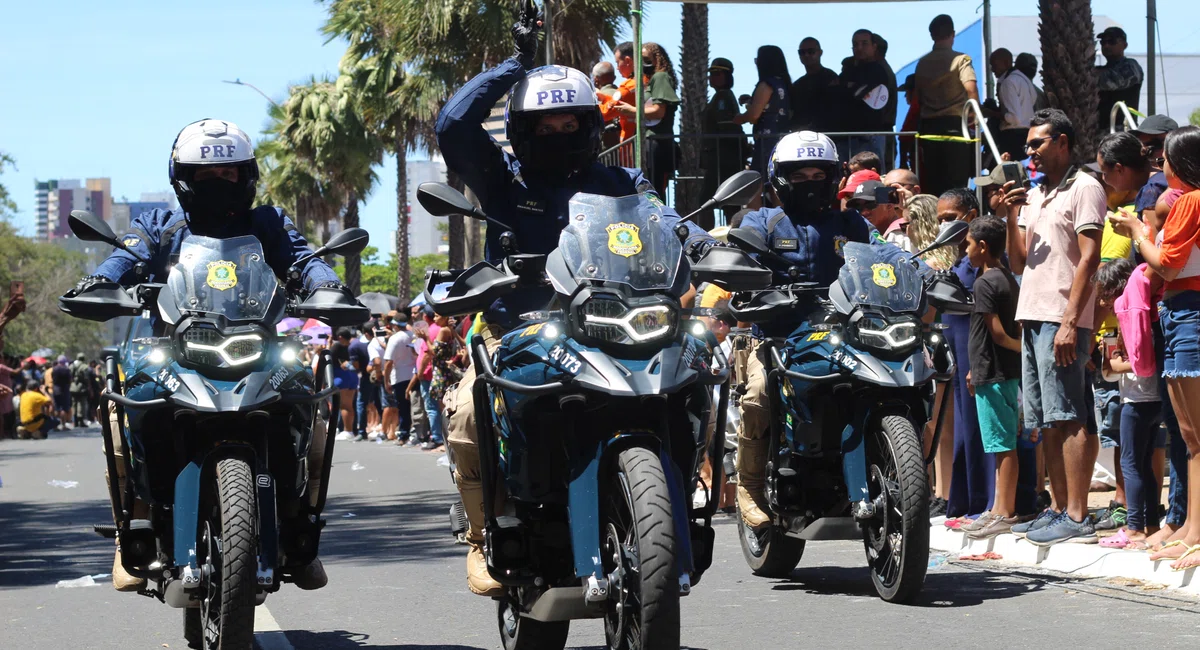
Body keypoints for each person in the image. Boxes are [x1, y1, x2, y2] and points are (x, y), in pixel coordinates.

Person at [433, 6, 714, 596]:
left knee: (696, 378)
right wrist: (515, 66)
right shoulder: (502, 179)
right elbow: (453, 128)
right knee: (465, 414)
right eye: (545, 125)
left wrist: (714, 246)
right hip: (522, 328)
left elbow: (670, 223)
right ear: (521, 131)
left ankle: (677, 505)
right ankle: (484, 537)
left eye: (572, 123)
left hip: (618, 327)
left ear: (591, 126)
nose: (559, 133)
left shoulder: (622, 183)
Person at [733, 130, 874, 530]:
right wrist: (750, 286)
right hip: (778, 336)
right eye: (799, 176)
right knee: (760, 394)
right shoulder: (761, 222)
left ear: (833, 178)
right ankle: (750, 486)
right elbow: (740, 263)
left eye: (819, 176)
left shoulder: (853, 223)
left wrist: (919, 271)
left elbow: (884, 255)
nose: (810, 184)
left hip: (846, 333)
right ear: (780, 179)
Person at [1000, 108, 1105, 546]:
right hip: (1032, 315)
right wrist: (1009, 215)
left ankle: (1078, 514)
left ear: (1062, 142)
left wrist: (1069, 322)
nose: (1030, 152)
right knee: (1046, 420)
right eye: (1028, 146)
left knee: (1069, 415)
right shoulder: (1037, 194)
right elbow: (1019, 262)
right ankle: (1058, 509)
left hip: (1062, 319)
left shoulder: (1085, 187)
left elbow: (1090, 258)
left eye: (1038, 143)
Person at [1108, 125, 1200, 569]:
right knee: (1188, 435)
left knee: (1195, 436)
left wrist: (1135, 231)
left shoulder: (1191, 202)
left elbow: (1165, 263)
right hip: (1182, 312)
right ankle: (1189, 527)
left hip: (1190, 312)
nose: (1159, 166)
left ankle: (1194, 532)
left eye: (1164, 158)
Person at [962, 216, 1024, 539]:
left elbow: (998, 334)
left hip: (995, 373)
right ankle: (999, 508)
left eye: (969, 244)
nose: (966, 250)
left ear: (983, 247)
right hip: (997, 371)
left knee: (1002, 444)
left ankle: (1004, 510)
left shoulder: (984, 283)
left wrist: (1021, 352)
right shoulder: (1008, 278)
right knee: (1001, 444)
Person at [1094, 258, 1163, 550]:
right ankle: (1150, 525)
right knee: (1144, 464)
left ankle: (1133, 528)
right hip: (1154, 397)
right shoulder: (1147, 308)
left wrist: (1113, 364)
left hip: (1137, 398)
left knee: (1130, 463)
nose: (1102, 301)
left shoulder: (1130, 308)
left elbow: (1139, 362)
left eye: (1105, 294)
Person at [914, 14, 979, 197]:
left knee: (934, 184)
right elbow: (971, 89)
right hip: (955, 128)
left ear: (932, 35)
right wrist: (975, 117)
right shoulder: (961, 60)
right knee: (957, 185)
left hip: (929, 129)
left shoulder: (922, 63)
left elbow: (917, 97)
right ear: (952, 34)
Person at [735, 45, 793, 184]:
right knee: (777, 183)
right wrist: (751, 101)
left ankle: (755, 207)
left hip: (767, 141)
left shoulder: (766, 84)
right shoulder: (783, 84)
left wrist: (740, 118)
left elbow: (754, 115)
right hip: (781, 139)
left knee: (757, 183)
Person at [700, 57, 745, 230]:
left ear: (727, 76)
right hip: (720, 156)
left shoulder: (723, 98)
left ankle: (707, 237)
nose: (712, 77)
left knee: (707, 201)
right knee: (727, 202)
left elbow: (726, 127)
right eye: (711, 73)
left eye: (717, 74)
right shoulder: (720, 96)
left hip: (723, 157)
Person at [836, 30, 893, 163]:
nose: (859, 48)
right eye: (855, 44)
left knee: (871, 178)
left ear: (874, 46)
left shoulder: (879, 70)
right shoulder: (849, 71)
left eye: (864, 43)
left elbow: (856, 94)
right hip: (848, 138)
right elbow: (841, 93)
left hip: (870, 136)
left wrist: (851, 89)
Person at [1096, 27, 1144, 134]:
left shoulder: (1131, 66)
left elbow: (1110, 82)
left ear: (1124, 45)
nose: (1106, 45)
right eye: (1103, 42)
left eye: (1111, 41)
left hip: (1122, 131)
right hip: (1098, 132)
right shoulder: (1099, 70)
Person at [992, 48, 1037, 162]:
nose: (992, 70)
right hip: (1027, 135)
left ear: (1006, 63)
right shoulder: (1025, 80)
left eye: (994, 65)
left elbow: (1014, 118)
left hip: (1013, 138)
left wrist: (991, 113)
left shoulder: (1008, 82)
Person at [790, 37, 840, 133]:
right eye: (802, 52)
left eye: (811, 51)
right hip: (802, 136)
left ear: (820, 53)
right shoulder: (798, 85)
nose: (806, 55)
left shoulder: (830, 77)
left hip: (827, 135)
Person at [382, 312, 415, 444]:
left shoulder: (394, 339)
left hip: (400, 376)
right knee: (414, 406)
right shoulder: (413, 336)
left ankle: (404, 435)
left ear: (395, 325)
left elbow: (389, 362)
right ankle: (413, 433)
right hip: (413, 375)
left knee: (403, 407)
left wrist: (386, 380)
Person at [332, 329, 360, 441]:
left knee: (344, 405)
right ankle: (349, 430)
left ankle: (347, 430)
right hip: (352, 375)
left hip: (341, 376)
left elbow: (328, 359)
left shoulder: (337, 346)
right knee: (349, 405)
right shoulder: (352, 345)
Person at [50, 356, 72, 430]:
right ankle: (63, 425)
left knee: (56, 408)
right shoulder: (66, 369)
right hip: (64, 390)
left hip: (56, 390)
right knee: (63, 408)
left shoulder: (54, 369)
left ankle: (55, 426)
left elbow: (53, 379)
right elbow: (69, 380)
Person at [70, 353, 89, 427]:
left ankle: (75, 421)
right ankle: (80, 421)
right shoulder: (84, 366)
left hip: (73, 386)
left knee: (74, 403)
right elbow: (86, 378)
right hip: (81, 387)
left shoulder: (72, 366)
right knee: (81, 403)